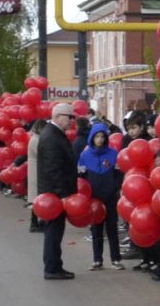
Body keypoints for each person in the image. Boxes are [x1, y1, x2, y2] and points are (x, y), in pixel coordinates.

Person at [33, 103, 78, 280]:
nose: (72, 121)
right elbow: (54, 169)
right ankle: (52, 268)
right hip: (54, 195)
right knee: (53, 232)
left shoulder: (54, 134)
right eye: (70, 117)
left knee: (55, 232)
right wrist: (63, 194)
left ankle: (55, 265)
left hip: (54, 194)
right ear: (58, 116)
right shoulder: (51, 136)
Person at [79, 124, 123, 270]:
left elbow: (118, 174)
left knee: (112, 228)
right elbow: (81, 176)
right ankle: (97, 260)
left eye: (102, 136)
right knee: (96, 229)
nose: (100, 139)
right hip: (94, 198)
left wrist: (115, 188)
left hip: (110, 197)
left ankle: (116, 259)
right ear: (92, 138)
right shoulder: (85, 155)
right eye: (97, 137)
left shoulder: (113, 153)